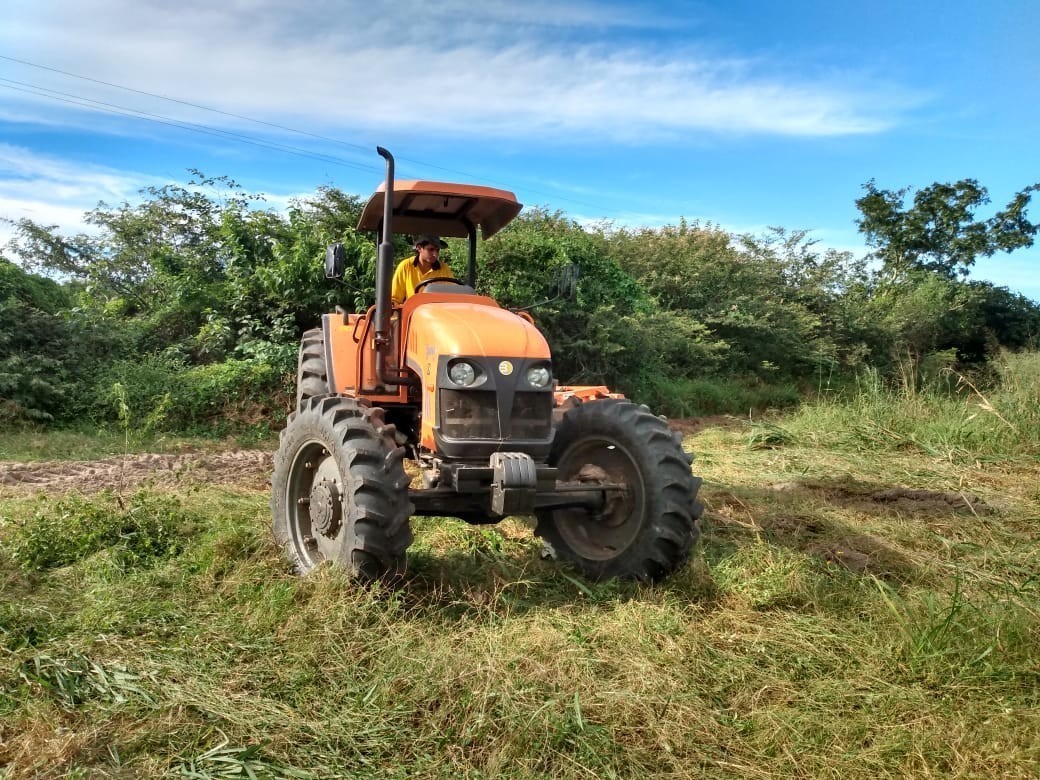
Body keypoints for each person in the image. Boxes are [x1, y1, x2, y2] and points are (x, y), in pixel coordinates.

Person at [390, 234, 454, 305]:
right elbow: (394, 299)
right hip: (412, 312)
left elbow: (452, 296)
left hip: (437, 311)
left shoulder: (444, 269)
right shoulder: (406, 266)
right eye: (431, 249)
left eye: (437, 250)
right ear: (419, 248)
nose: (435, 254)